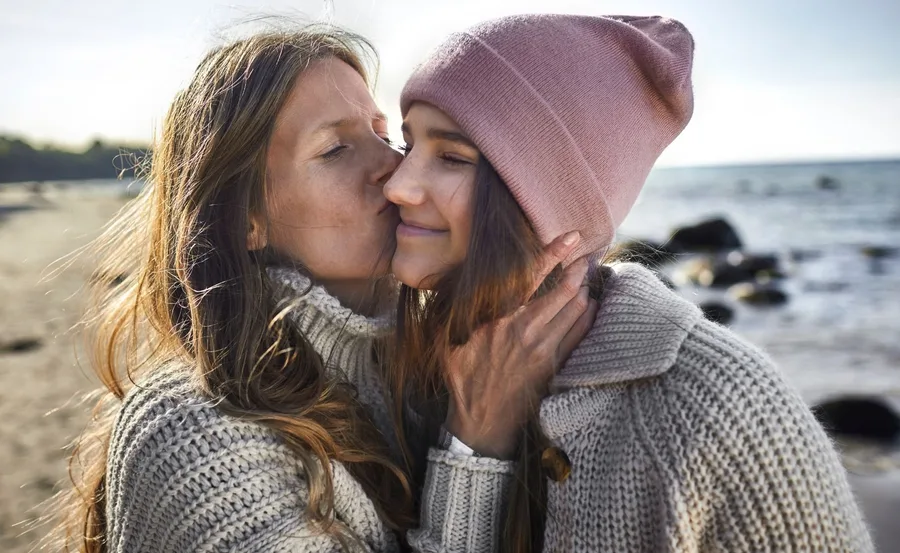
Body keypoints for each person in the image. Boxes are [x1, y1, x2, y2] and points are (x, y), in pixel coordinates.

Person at [52, 24, 594, 553]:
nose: (395, 168)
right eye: (335, 150)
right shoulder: (189, 434)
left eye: (385, 136)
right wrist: (475, 443)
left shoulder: (428, 373)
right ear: (245, 218)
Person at [385, 14, 874, 552]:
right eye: (409, 147)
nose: (398, 185)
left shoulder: (724, 410)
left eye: (452, 157)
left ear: (551, 204)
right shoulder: (413, 370)